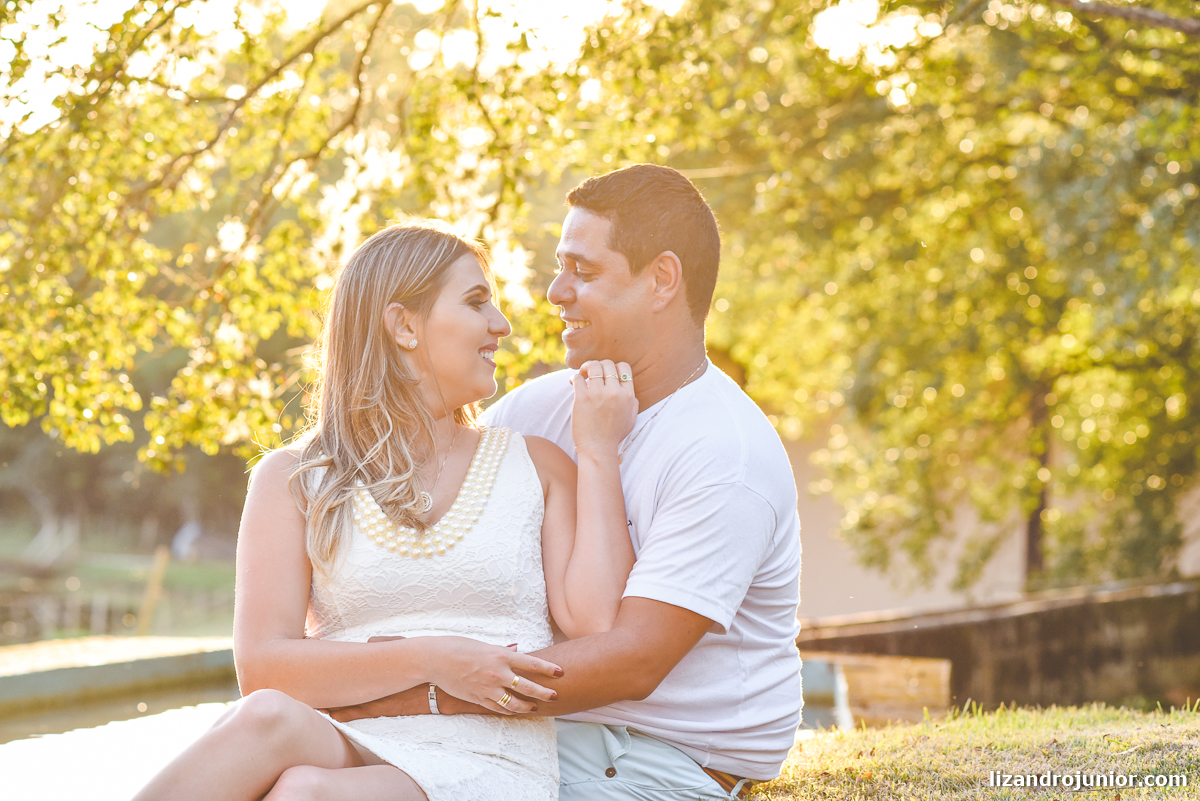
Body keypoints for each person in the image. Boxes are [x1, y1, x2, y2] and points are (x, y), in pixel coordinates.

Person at [328, 164, 803, 800]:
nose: (555, 291)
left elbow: (632, 660)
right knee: (290, 771)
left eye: (583, 271)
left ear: (661, 280)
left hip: (653, 761)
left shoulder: (726, 453)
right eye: (559, 267)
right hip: (528, 732)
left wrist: (411, 693)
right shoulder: (538, 409)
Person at [132, 220, 640, 801]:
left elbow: (597, 622)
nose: (502, 325)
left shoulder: (539, 467)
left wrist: (600, 451)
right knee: (267, 718)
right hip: (345, 733)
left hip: (489, 756)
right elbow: (264, 670)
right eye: (477, 302)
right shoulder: (293, 478)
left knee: (305, 793)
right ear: (403, 325)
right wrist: (434, 657)